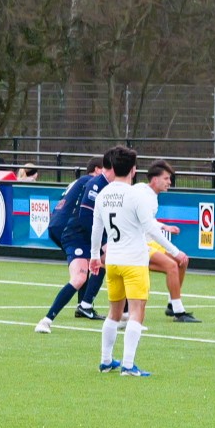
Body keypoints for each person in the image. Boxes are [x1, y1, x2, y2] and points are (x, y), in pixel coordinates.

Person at [89, 146, 186, 377]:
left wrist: (94, 256)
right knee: (136, 311)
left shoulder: (103, 195)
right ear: (133, 170)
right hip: (133, 260)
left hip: (112, 261)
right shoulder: (135, 195)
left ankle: (105, 360)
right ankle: (129, 365)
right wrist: (176, 250)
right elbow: (151, 228)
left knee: (113, 312)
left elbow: (96, 229)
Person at [35, 156, 104, 333]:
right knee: (93, 264)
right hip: (69, 227)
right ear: (97, 170)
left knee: (92, 262)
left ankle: (84, 305)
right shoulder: (92, 182)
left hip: (58, 224)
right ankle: (85, 305)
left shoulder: (79, 181)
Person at [140, 160, 200, 323]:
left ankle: (172, 304)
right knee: (173, 264)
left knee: (182, 262)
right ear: (154, 179)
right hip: (138, 245)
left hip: (148, 242)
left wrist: (164, 226)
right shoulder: (145, 195)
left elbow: (148, 221)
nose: (169, 182)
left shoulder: (149, 194)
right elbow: (149, 228)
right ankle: (179, 312)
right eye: (166, 178)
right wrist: (174, 251)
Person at [73, 151, 118, 320]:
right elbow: (86, 217)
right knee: (109, 262)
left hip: (100, 235)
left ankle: (86, 304)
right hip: (86, 234)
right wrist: (100, 243)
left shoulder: (110, 185)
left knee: (106, 264)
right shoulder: (96, 184)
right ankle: (124, 310)